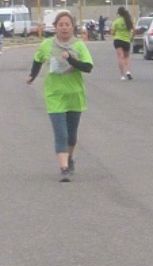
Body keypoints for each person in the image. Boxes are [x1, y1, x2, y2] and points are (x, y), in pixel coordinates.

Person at [26, 10, 93, 182]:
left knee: (71, 135)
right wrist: (32, 75)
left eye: (67, 24)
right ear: (55, 27)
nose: (64, 28)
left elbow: (88, 67)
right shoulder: (47, 44)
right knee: (61, 134)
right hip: (54, 95)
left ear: (72, 27)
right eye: (61, 25)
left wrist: (71, 59)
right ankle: (63, 168)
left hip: (74, 95)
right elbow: (38, 59)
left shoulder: (78, 45)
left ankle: (69, 158)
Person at [110, 7, 133, 80]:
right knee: (126, 57)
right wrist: (131, 37)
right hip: (126, 40)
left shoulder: (116, 21)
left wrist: (115, 34)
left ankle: (122, 75)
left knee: (120, 57)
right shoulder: (128, 21)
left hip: (118, 40)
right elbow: (133, 30)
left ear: (118, 13)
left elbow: (112, 32)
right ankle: (128, 71)